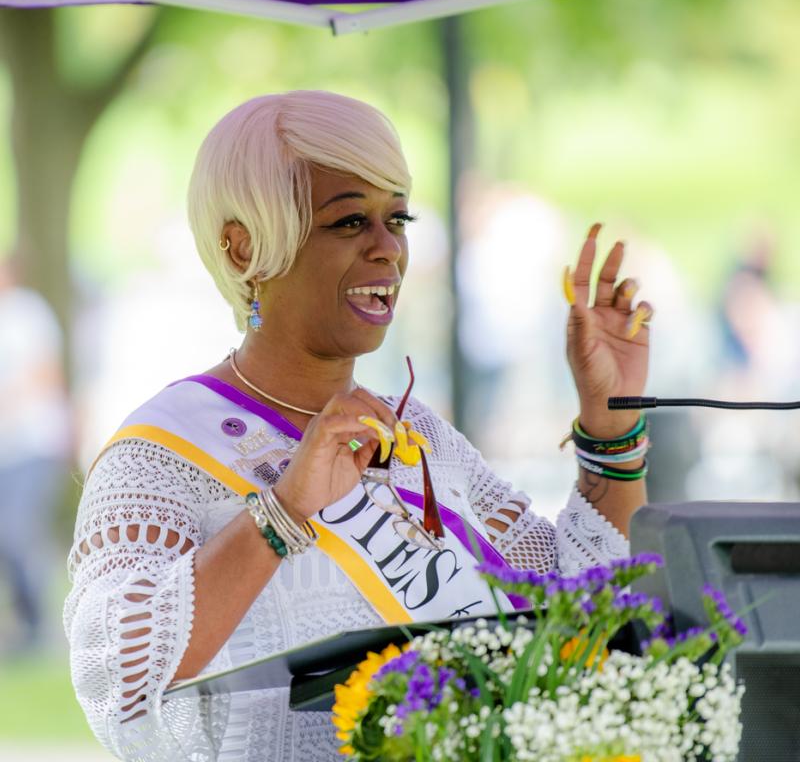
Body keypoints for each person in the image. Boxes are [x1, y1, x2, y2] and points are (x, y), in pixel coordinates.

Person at [64, 91, 654, 761]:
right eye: (348, 223)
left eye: (397, 218)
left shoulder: (417, 433)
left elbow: (576, 609)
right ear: (244, 249)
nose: (389, 251)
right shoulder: (159, 455)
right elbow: (117, 678)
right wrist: (284, 511)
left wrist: (610, 423)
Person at [0, 257, 70, 654]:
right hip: (5, 449)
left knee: (18, 531)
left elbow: (44, 374)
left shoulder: (26, 313)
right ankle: (22, 625)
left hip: (33, 443)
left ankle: (38, 626)